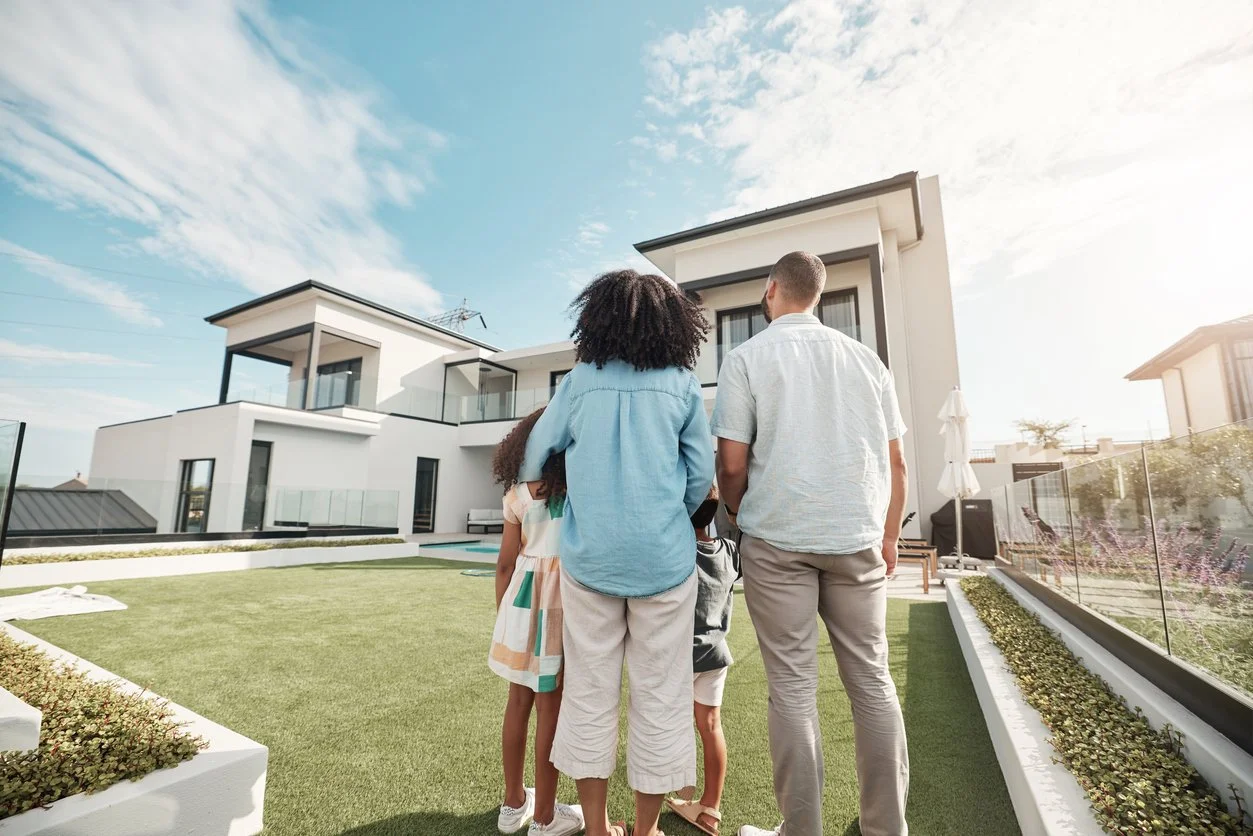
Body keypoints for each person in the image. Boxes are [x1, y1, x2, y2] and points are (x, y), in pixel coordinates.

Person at [712, 251, 910, 836]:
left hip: (777, 539)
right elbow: (896, 462)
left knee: (793, 689)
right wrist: (891, 533)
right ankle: (886, 829)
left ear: (772, 290)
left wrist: (736, 514)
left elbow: (730, 463)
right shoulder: (867, 362)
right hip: (857, 539)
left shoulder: (745, 358)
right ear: (817, 296)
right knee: (872, 680)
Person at [519, 269, 715, 836]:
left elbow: (535, 455)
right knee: (659, 697)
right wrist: (668, 514)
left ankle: (600, 828)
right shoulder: (681, 382)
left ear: (597, 317)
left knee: (589, 695)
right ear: (670, 323)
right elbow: (700, 475)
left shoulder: (580, 381)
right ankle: (648, 829)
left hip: (592, 560)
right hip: (665, 562)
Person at [489, 409, 586, 836]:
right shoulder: (580, 491)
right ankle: (545, 817)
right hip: (562, 603)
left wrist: (503, 617)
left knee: (517, 703)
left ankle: (513, 805)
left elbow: (505, 564)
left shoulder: (518, 495)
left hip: (520, 605)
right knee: (551, 708)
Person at [666, 484, 740, 836]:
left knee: (668, 726)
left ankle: (682, 788)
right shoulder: (728, 551)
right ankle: (710, 809)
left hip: (680, 658)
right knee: (710, 727)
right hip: (715, 656)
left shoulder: (677, 553)